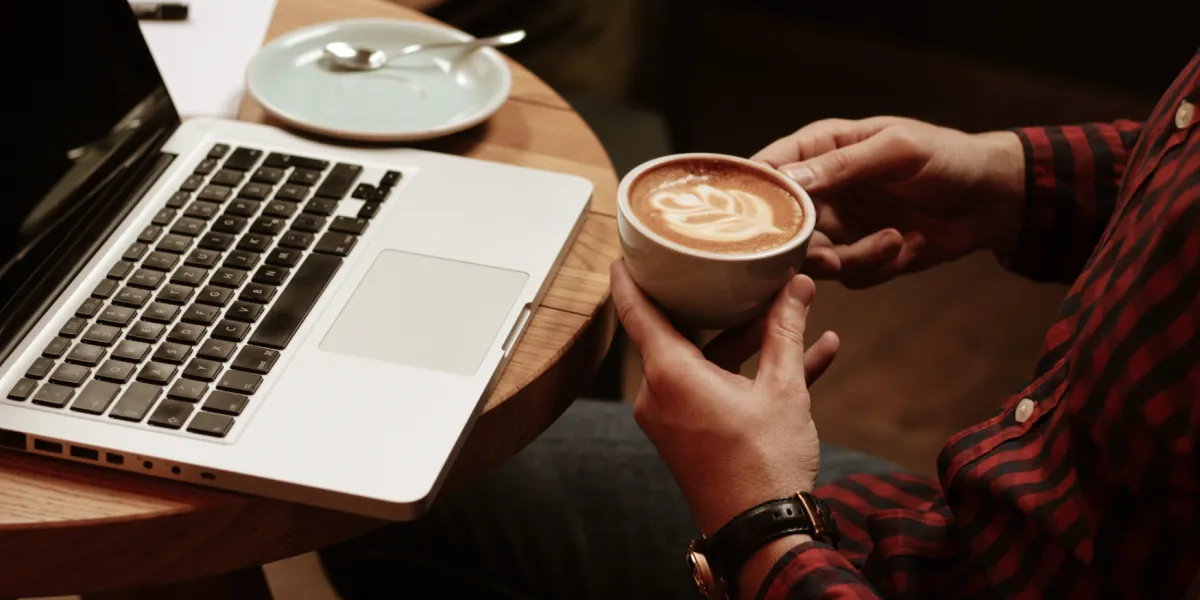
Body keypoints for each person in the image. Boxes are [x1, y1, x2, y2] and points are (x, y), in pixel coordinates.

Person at [320, 51, 1200, 599]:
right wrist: (1011, 177)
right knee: (428, 477)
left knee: (419, 494)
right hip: (967, 528)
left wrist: (755, 521)